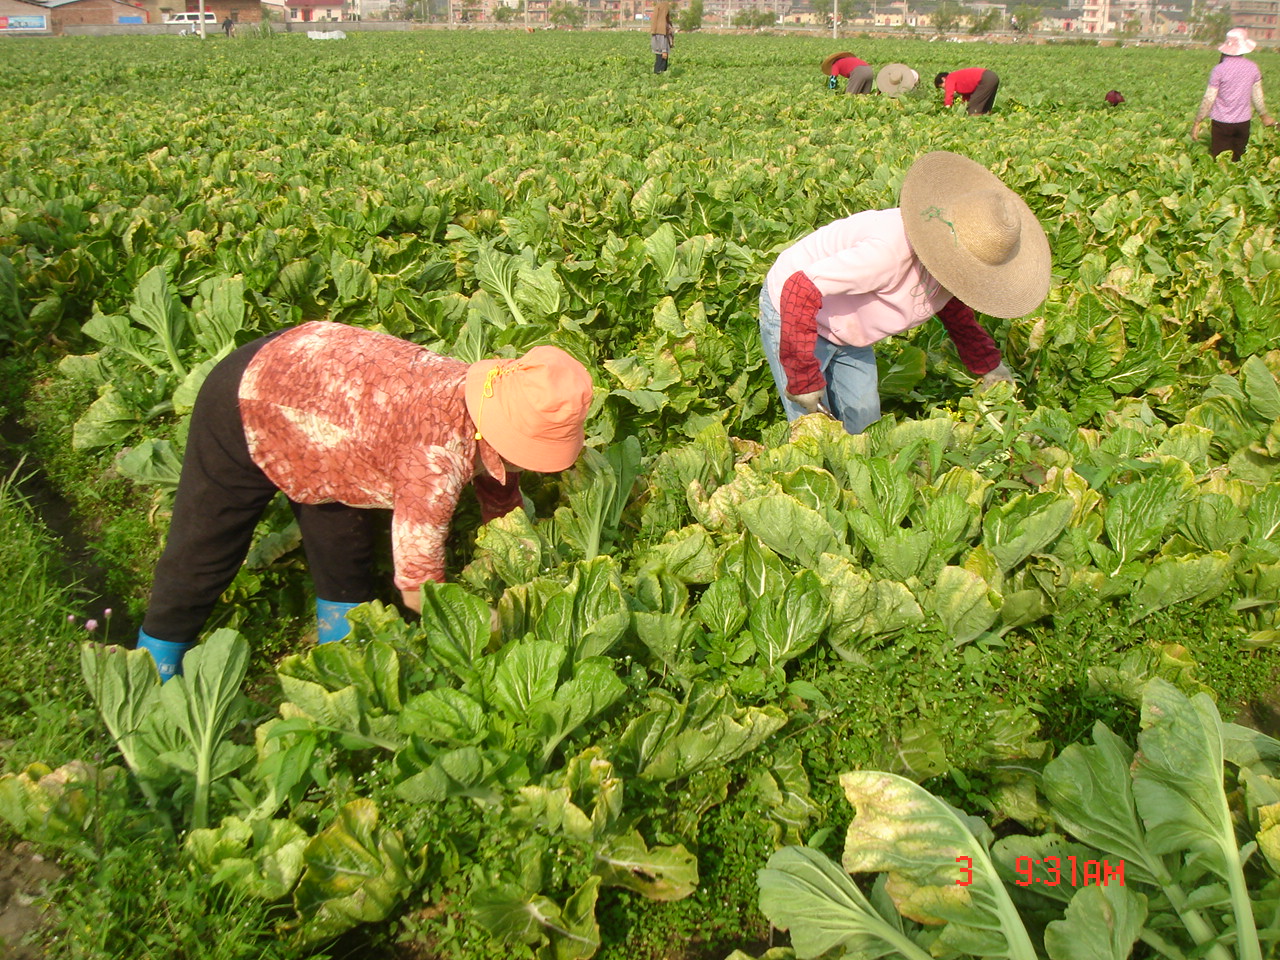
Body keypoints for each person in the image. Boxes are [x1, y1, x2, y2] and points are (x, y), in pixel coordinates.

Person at [135, 321, 594, 680]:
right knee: (207, 547)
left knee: (347, 551)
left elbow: (501, 495)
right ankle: (154, 661)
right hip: (254, 394)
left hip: (328, 396)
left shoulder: (492, 391)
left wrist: (525, 564)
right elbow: (418, 590)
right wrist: (490, 625)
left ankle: (342, 665)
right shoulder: (433, 462)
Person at [758, 151, 1050, 436]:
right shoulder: (886, 252)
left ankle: (859, 478)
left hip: (849, 327)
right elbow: (800, 289)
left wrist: (989, 365)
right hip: (794, 312)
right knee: (812, 424)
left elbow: (953, 311)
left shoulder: (944, 272)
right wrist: (803, 376)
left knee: (865, 417)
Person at [1191, 28, 1275, 161]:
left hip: (1222, 123)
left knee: (1221, 162)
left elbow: (1209, 98)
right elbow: (1257, 96)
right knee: (1238, 162)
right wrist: (1264, 116)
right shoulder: (1252, 67)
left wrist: (1197, 122)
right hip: (1243, 123)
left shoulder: (1219, 70)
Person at [934, 68, 1000, 115]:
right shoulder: (958, 78)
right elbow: (967, 95)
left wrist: (947, 108)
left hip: (985, 78)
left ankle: (977, 126)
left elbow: (949, 94)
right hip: (992, 76)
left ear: (943, 79)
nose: (944, 89)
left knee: (973, 110)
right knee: (985, 109)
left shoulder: (949, 78)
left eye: (942, 86)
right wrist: (963, 106)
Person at [650, 1, 675, 74]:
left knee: (659, 64)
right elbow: (662, 38)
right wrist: (664, 50)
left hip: (659, 49)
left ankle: (658, 80)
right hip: (661, 50)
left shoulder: (656, 24)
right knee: (660, 67)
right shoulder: (661, 25)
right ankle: (658, 80)